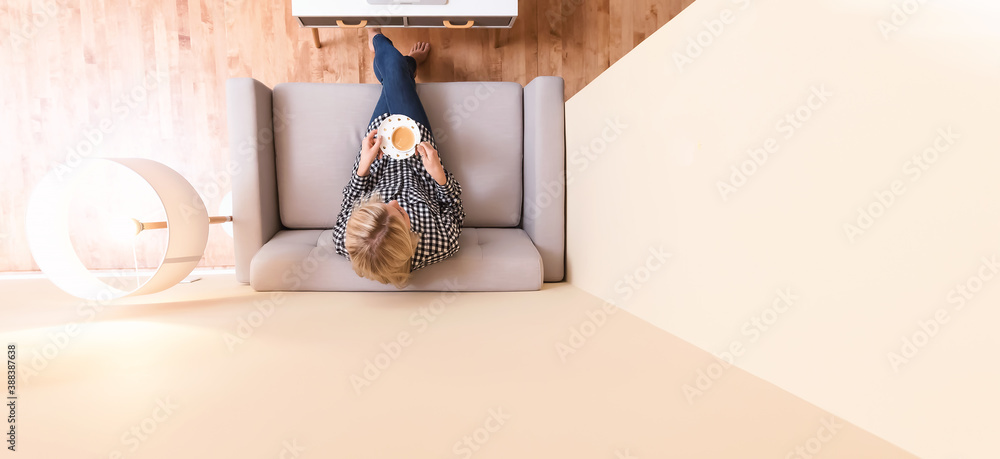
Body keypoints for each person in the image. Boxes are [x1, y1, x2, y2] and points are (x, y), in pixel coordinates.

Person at [331, 29, 466, 288]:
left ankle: (394, 56)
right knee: (394, 69)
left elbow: (349, 201)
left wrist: (363, 167)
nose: (393, 201)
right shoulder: (441, 243)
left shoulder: (345, 240)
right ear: (408, 238)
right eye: (400, 213)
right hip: (418, 150)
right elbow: (455, 211)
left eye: (382, 205)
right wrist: (439, 176)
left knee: (395, 75)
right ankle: (392, 53)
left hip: (378, 154)